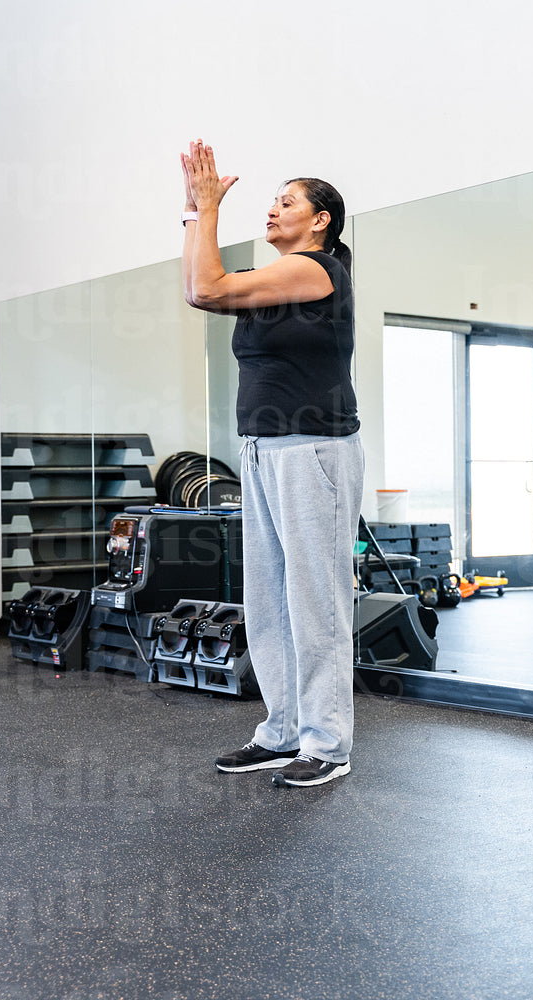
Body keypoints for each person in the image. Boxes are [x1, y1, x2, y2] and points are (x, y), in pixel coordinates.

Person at [181, 140, 365, 786]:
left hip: (314, 448)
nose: (273, 208)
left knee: (316, 599)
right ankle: (284, 729)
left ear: (320, 221)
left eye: (288, 201)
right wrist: (192, 215)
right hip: (260, 447)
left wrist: (207, 213)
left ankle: (328, 742)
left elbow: (207, 286)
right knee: (267, 601)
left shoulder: (317, 271)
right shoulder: (271, 282)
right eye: (274, 199)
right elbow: (196, 287)